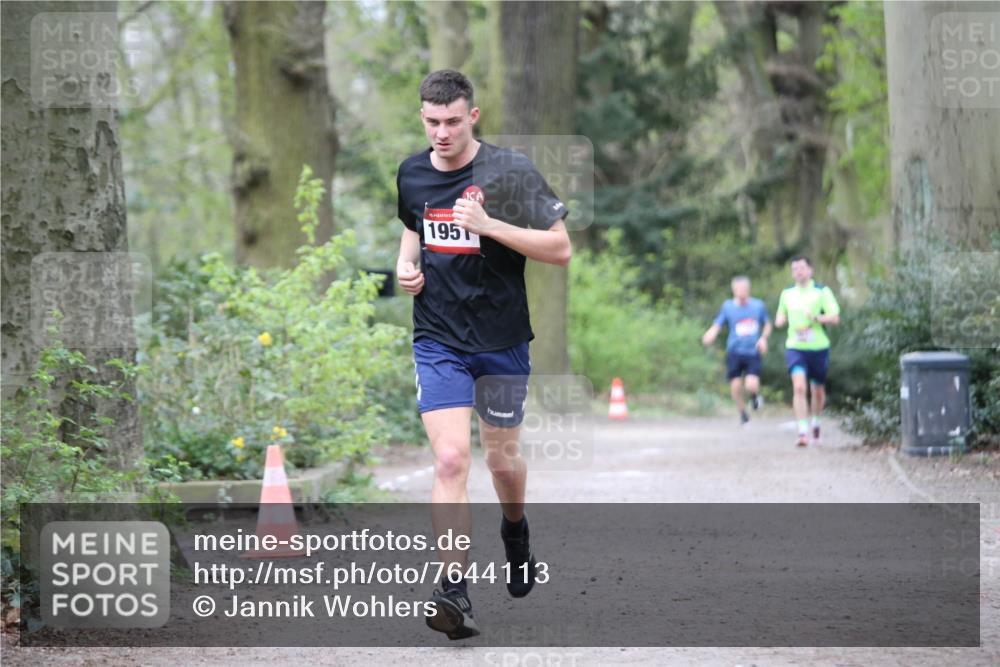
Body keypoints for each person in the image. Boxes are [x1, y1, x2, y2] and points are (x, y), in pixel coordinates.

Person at [395, 70, 571, 639]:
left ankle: (515, 530)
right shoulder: (412, 172)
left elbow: (560, 248)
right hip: (438, 338)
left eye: (451, 121)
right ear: (422, 117)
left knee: (500, 462)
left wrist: (491, 225)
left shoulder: (510, 171)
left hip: (501, 340)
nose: (440, 133)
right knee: (449, 461)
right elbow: (413, 227)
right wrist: (407, 267)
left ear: (472, 116)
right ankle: (454, 590)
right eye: (431, 122)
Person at [774, 256, 841, 447]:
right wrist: (780, 319)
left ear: (810, 270)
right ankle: (802, 431)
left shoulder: (821, 291)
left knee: (817, 391)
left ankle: (816, 422)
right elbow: (781, 313)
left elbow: (835, 318)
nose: (798, 272)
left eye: (802, 268)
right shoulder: (787, 294)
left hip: (818, 347)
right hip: (795, 347)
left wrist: (817, 318)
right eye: (795, 269)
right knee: (799, 387)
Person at [702, 276, 772, 424]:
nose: (742, 292)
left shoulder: (758, 305)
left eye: (744, 289)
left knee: (751, 384)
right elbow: (718, 323)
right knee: (735, 385)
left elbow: (767, 323)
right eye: (738, 289)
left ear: (749, 289)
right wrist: (711, 333)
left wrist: (763, 338)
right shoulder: (728, 306)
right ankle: (742, 412)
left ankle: (754, 397)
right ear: (733, 290)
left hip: (752, 351)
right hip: (734, 351)